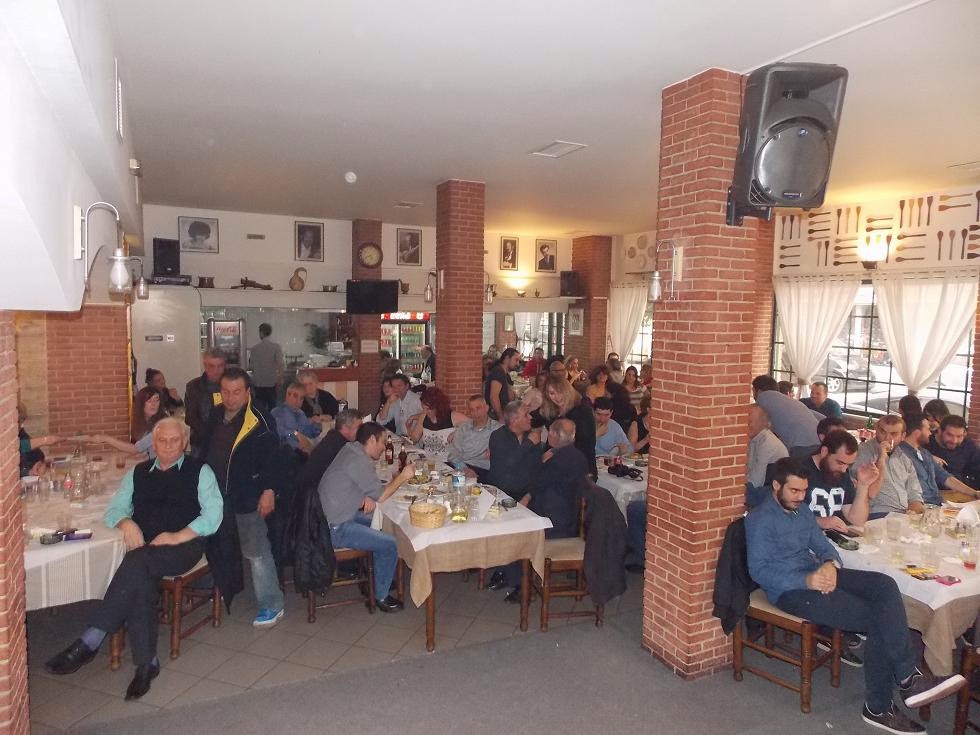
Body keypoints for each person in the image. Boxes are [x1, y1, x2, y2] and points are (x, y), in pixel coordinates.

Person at [746, 456, 965, 734]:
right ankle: (880, 705)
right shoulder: (760, 520)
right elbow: (759, 571)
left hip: (818, 574)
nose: (801, 497)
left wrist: (831, 564)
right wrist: (807, 580)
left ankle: (908, 678)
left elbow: (823, 545)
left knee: (884, 585)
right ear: (777, 486)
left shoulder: (801, 511)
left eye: (804, 491)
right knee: (878, 618)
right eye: (794, 491)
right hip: (789, 591)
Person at [43, 418, 223, 701]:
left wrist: (177, 536)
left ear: (185, 443)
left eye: (175, 440)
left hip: (184, 547)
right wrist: (125, 522)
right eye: (162, 441)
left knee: (137, 563)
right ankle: (146, 663)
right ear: (154, 444)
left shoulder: (200, 471)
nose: (168, 446)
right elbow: (114, 509)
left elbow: (213, 515)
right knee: (140, 576)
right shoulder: (137, 473)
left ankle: (92, 638)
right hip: (146, 551)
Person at [199, 367, 285, 628]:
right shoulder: (215, 414)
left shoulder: (260, 420)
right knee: (216, 544)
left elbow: (274, 459)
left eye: (237, 392)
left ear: (248, 393)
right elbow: (204, 448)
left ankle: (272, 603)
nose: (230, 397)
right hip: (215, 495)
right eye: (226, 391)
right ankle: (217, 589)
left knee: (256, 551)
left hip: (248, 495)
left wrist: (269, 491)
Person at [318, 422, 416, 612]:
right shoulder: (358, 461)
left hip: (334, 515)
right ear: (371, 440)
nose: (384, 447)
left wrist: (365, 494)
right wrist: (403, 477)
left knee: (383, 522)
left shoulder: (351, 449)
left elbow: (351, 481)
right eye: (382, 442)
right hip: (336, 527)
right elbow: (382, 496)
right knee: (390, 543)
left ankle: (379, 577)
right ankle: (381, 596)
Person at [895, 412, 979, 505]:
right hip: (922, 505)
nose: (930, 433)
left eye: (959, 436)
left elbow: (946, 477)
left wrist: (975, 493)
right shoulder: (901, 455)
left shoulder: (925, 453)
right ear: (917, 433)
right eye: (928, 429)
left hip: (939, 503)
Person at [856, 416, 923, 519]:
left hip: (904, 514)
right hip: (877, 513)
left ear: (903, 436)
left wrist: (915, 512)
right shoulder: (863, 451)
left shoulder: (904, 458)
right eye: (883, 432)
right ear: (876, 431)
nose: (887, 438)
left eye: (893, 434)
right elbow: (870, 493)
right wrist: (882, 458)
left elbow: (914, 493)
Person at [540, 375, 597, 478]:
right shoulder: (552, 410)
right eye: (552, 393)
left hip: (580, 467)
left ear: (567, 390)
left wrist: (554, 452)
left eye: (560, 391)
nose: (557, 397)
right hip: (557, 464)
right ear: (547, 395)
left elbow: (584, 444)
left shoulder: (582, 410)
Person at [88, 386, 167, 459]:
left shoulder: (162, 425)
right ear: (141, 404)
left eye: (156, 400)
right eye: (149, 401)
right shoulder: (147, 422)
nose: (153, 404)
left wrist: (106, 438)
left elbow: (135, 449)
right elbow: (145, 449)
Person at [297, 409, 363, 495]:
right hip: (315, 494)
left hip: (312, 489)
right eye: (359, 427)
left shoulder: (333, 437)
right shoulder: (339, 446)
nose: (362, 431)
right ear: (345, 428)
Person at [487, 401, 544, 501]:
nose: (530, 417)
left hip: (527, 495)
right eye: (526, 415)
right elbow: (509, 461)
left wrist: (528, 496)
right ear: (514, 421)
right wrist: (528, 443)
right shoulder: (498, 437)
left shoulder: (532, 436)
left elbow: (537, 470)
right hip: (501, 494)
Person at [751, 375, 820, 452]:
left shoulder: (763, 397)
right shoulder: (788, 401)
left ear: (759, 391)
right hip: (817, 441)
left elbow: (753, 422)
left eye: (753, 391)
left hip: (801, 445)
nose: (752, 395)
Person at [446, 395, 500, 482]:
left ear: (486, 408)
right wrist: (463, 468)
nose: (475, 412)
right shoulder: (463, 428)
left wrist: (495, 449)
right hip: (462, 467)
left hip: (483, 470)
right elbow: (453, 454)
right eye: (471, 410)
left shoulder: (498, 429)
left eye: (478, 408)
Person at [185, 348, 227, 457]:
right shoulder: (193, 386)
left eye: (220, 366)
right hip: (201, 441)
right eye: (212, 366)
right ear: (205, 365)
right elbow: (190, 417)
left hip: (228, 440)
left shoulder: (232, 386)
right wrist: (208, 433)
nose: (216, 370)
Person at [745, 404, 789, 508]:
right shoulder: (755, 440)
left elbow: (756, 482)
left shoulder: (768, 443)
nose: (746, 425)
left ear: (762, 423)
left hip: (771, 494)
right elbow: (747, 469)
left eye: (750, 422)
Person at [406, 386, 463, 455]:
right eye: (423, 408)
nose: (424, 411)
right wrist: (408, 428)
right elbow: (414, 440)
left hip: (447, 460)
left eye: (428, 409)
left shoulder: (452, 416)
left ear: (438, 407)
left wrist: (456, 433)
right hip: (428, 458)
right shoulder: (423, 417)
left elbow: (473, 425)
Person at [928, 414, 980, 487]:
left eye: (959, 436)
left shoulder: (968, 446)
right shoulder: (927, 443)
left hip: (961, 490)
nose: (954, 441)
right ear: (940, 431)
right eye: (949, 435)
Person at [271, 382, 320, 453]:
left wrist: (316, 425)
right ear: (288, 395)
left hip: (302, 450)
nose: (298, 401)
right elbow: (280, 432)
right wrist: (295, 433)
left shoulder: (301, 414)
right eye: (295, 396)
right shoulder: (277, 412)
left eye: (301, 398)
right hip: (285, 450)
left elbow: (307, 432)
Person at [18, 403, 60, 477]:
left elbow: (35, 454)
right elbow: (21, 446)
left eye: (22, 420)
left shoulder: (21, 433)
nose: (21, 424)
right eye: (20, 421)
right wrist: (29, 472)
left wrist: (40, 463)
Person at [248, 323, 283, 411]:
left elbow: (251, 367)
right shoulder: (276, 347)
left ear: (261, 333)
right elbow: (280, 364)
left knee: (260, 409)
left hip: (259, 384)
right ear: (270, 332)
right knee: (273, 408)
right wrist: (280, 379)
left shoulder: (254, 349)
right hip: (271, 383)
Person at [484, 348, 519, 420]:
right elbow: (494, 397)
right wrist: (500, 416)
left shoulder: (504, 373)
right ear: (507, 358)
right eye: (516, 360)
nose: (517, 363)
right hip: (495, 415)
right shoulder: (498, 372)